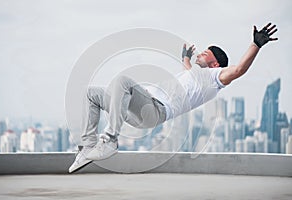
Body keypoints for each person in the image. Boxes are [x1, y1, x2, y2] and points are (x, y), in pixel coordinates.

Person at [69, 23, 278, 173]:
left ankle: (109, 140)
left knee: (122, 80)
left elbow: (240, 69)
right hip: (137, 109)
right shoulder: (196, 75)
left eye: (206, 53)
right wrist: (186, 58)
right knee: (92, 94)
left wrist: (256, 45)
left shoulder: (215, 78)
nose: (201, 54)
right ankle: (88, 146)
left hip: (154, 110)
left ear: (215, 65)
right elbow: (189, 72)